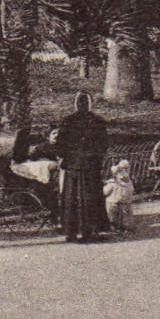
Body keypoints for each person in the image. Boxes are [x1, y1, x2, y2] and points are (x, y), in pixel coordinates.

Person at [57, 92, 110, 242]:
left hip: (78, 166)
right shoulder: (96, 121)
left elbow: (60, 145)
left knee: (74, 198)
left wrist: (68, 158)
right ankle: (88, 231)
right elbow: (103, 145)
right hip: (86, 166)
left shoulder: (69, 121)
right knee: (86, 198)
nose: (82, 105)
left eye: (83, 102)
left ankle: (74, 231)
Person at [104, 159, 137, 232]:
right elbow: (132, 190)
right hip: (125, 201)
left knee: (113, 215)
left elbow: (105, 192)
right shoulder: (129, 183)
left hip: (113, 201)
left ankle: (115, 226)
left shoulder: (112, 183)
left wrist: (105, 187)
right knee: (124, 215)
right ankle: (125, 227)